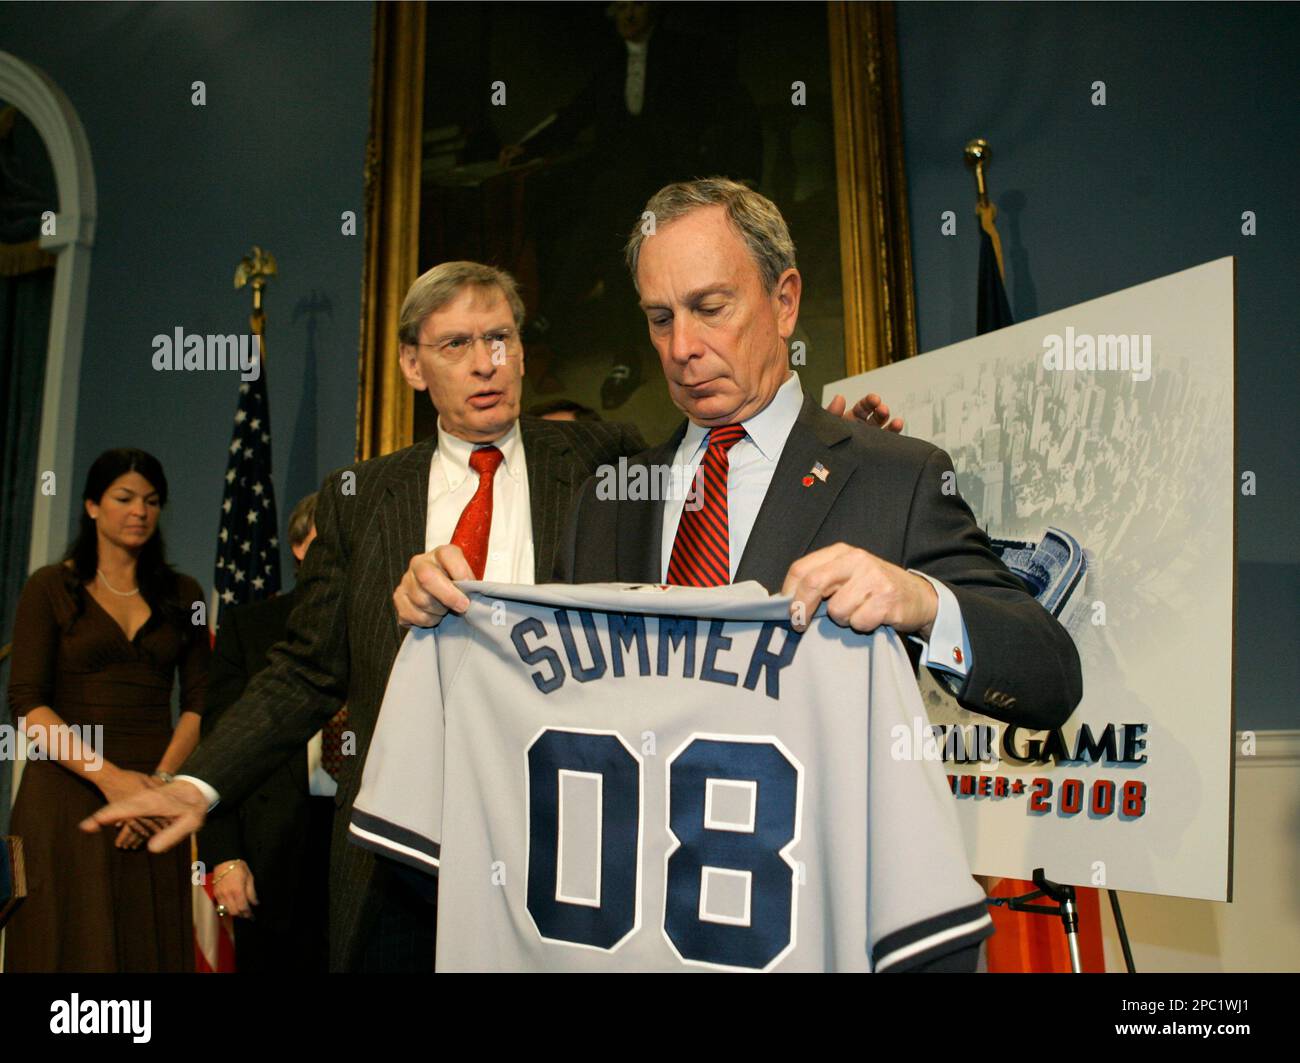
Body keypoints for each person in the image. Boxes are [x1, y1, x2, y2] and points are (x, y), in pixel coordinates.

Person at [80, 259, 897, 972]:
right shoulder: (360, 501)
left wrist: (825, 445)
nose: (488, 363)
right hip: (393, 851)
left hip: (556, 848)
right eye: (458, 345)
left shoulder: (598, 461)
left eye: (501, 338)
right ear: (412, 364)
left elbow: (716, 480)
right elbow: (301, 671)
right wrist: (200, 780)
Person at [5, 448, 208, 972]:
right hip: (66, 796)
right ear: (93, 505)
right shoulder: (49, 587)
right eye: (124, 498)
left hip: (153, 797)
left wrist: (156, 789)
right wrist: (113, 781)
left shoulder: (184, 595)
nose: (139, 511)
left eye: (151, 501)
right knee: (66, 945)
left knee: (145, 944)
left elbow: (199, 705)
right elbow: (28, 704)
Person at [197, 492, 335, 972]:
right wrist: (225, 856)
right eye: (329, 537)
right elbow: (220, 748)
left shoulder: (398, 628)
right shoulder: (250, 628)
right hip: (272, 853)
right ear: (299, 547)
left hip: (368, 852)